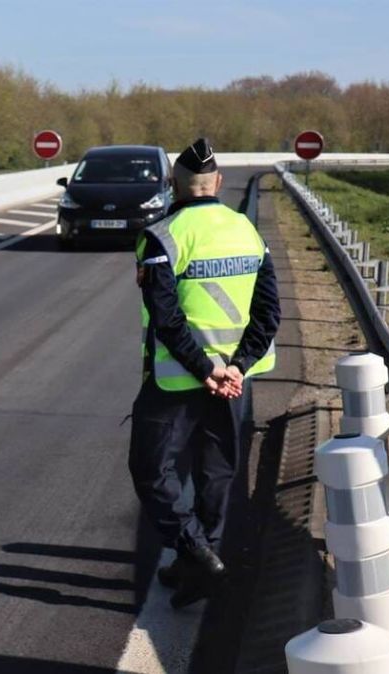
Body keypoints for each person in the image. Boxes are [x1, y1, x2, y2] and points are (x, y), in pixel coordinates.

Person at [128, 138, 281, 609]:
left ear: (173, 184)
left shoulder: (161, 236)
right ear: (218, 183)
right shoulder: (247, 231)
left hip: (177, 382)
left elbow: (166, 318)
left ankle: (196, 552)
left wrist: (206, 369)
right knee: (216, 470)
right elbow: (268, 313)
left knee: (151, 470)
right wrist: (236, 367)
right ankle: (199, 557)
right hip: (232, 382)